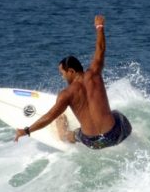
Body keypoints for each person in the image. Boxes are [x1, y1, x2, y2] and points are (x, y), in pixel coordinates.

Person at [14, 15, 131, 150]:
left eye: (62, 73)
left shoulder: (66, 94)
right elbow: (100, 49)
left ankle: (64, 134)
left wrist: (26, 131)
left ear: (71, 71)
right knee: (118, 115)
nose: (63, 77)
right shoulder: (94, 74)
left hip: (93, 142)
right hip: (113, 135)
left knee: (74, 134)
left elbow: (49, 117)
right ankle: (135, 142)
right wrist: (99, 27)